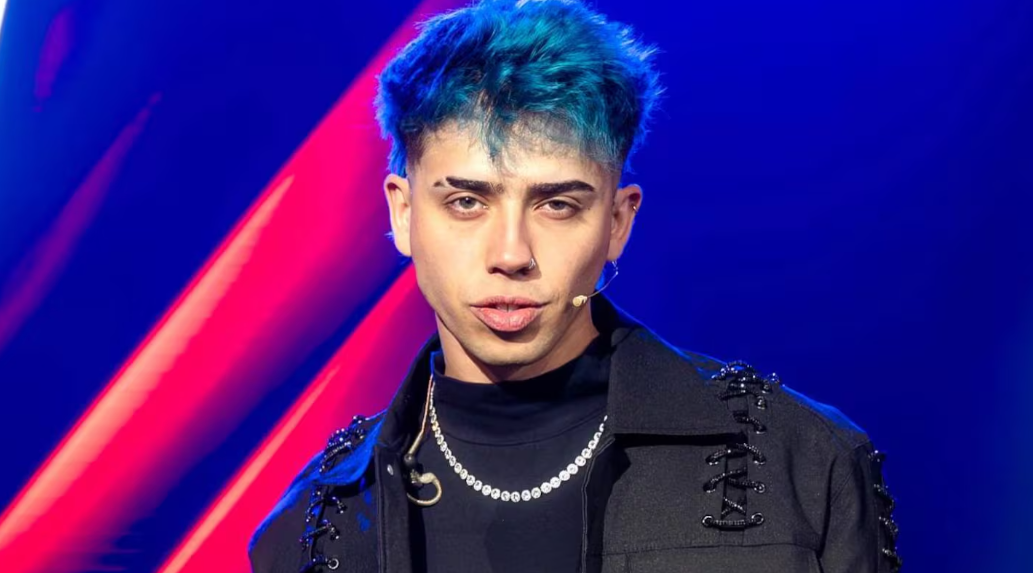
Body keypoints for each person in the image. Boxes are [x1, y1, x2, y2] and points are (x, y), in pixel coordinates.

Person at [248, 1, 902, 571]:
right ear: (402, 212)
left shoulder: (802, 463)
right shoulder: (314, 525)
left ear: (617, 222)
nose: (511, 254)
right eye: (467, 202)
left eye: (557, 205)